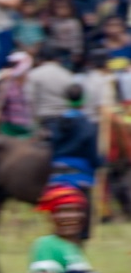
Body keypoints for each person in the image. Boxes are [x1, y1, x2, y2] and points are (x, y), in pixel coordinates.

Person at [44, 84, 100, 238]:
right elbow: (93, 157)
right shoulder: (89, 127)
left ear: (66, 99)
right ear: (84, 100)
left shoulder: (55, 125)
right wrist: (101, 162)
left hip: (56, 180)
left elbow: (51, 150)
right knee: (83, 222)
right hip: (79, 181)